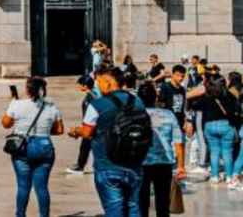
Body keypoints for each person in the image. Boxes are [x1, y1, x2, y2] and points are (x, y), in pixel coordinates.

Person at [69, 67, 144, 217]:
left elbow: (87, 132)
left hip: (108, 164)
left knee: (114, 209)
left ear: (108, 82)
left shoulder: (98, 105)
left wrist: (75, 131)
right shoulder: (137, 101)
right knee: (134, 207)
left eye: (99, 82)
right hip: (134, 163)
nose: (98, 86)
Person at [2, 76, 63, 217]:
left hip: (22, 147)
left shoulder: (17, 104)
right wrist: (45, 130)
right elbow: (59, 130)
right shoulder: (51, 106)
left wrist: (12, 105)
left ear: (27, 90)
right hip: (44, 146)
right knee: (42, 188)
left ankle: (21, 215)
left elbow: (5, 124)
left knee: (23, 186)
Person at [136, 80, 184, 217]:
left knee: (141, 201)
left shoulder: (135, 115)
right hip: (164, 163)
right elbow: (178, 142)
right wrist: (180, 166)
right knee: (163, 203)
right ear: (155, 97)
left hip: (141, 163)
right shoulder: (168, 114)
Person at [190, 75, 237, 184]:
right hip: (226, 125)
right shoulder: (229, 95)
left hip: (209, 126)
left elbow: (196, 106)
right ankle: (229, 176)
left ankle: (214, 176)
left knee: (214, 152)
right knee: (227, 152)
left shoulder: (206, 96)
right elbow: (235, 109)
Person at [66, 75, 97, 175]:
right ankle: (81, 165)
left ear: (85, 85)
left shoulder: (90, 97)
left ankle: (80, 167)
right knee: (87, 147)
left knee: (85, 146)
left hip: (90, 126)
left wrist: (82, 130)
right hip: (92, 125)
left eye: (80, 84)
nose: (79, 87)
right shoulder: (94, 94)